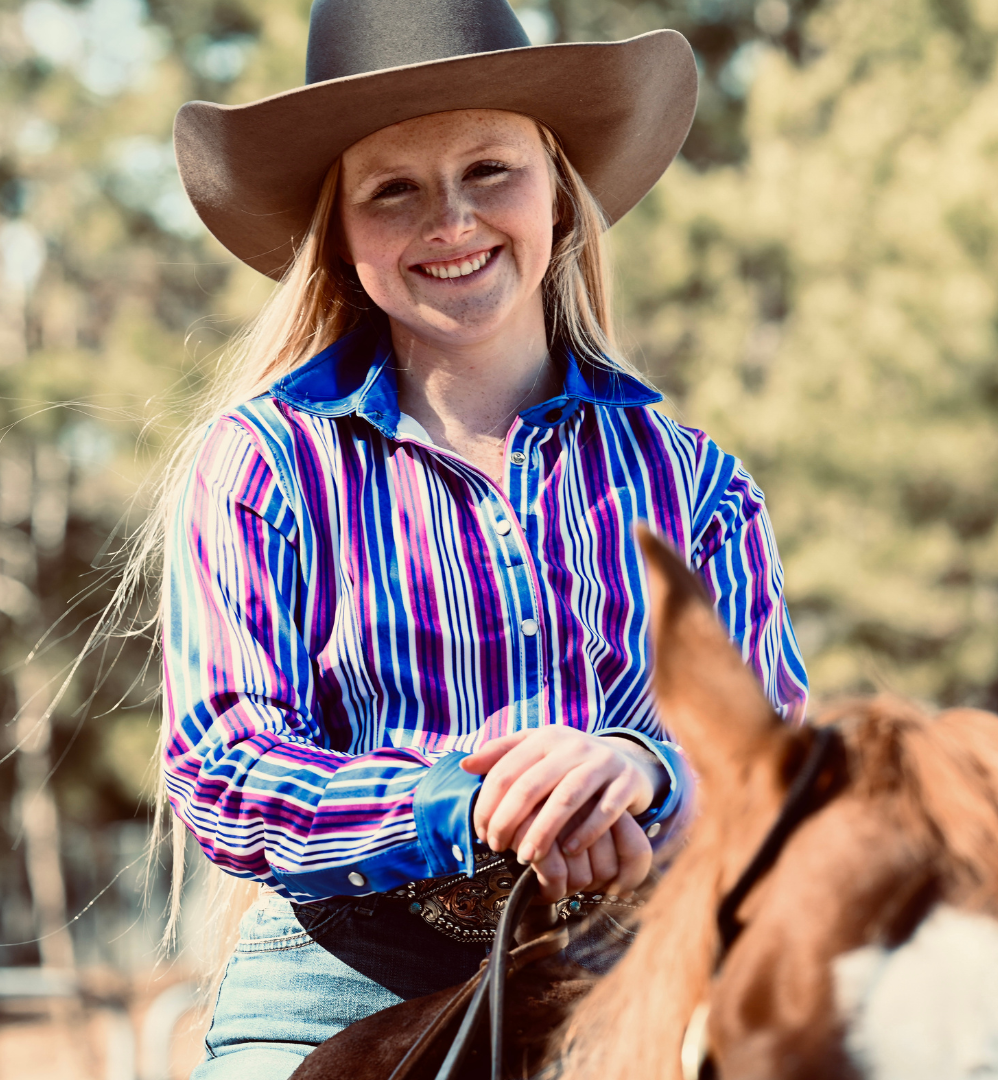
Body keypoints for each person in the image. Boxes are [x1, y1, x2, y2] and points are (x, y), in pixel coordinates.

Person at [160, 1, 809, 1076]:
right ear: (345, 233)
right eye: (394, 190)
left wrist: (639, 771)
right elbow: (222, 764)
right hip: (336, 976)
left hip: (633, 956)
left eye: (491, 170)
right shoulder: (266, 465)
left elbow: (773, 745)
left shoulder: (697, 483)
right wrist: (465, 802)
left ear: (559, 193)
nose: (452, 222)